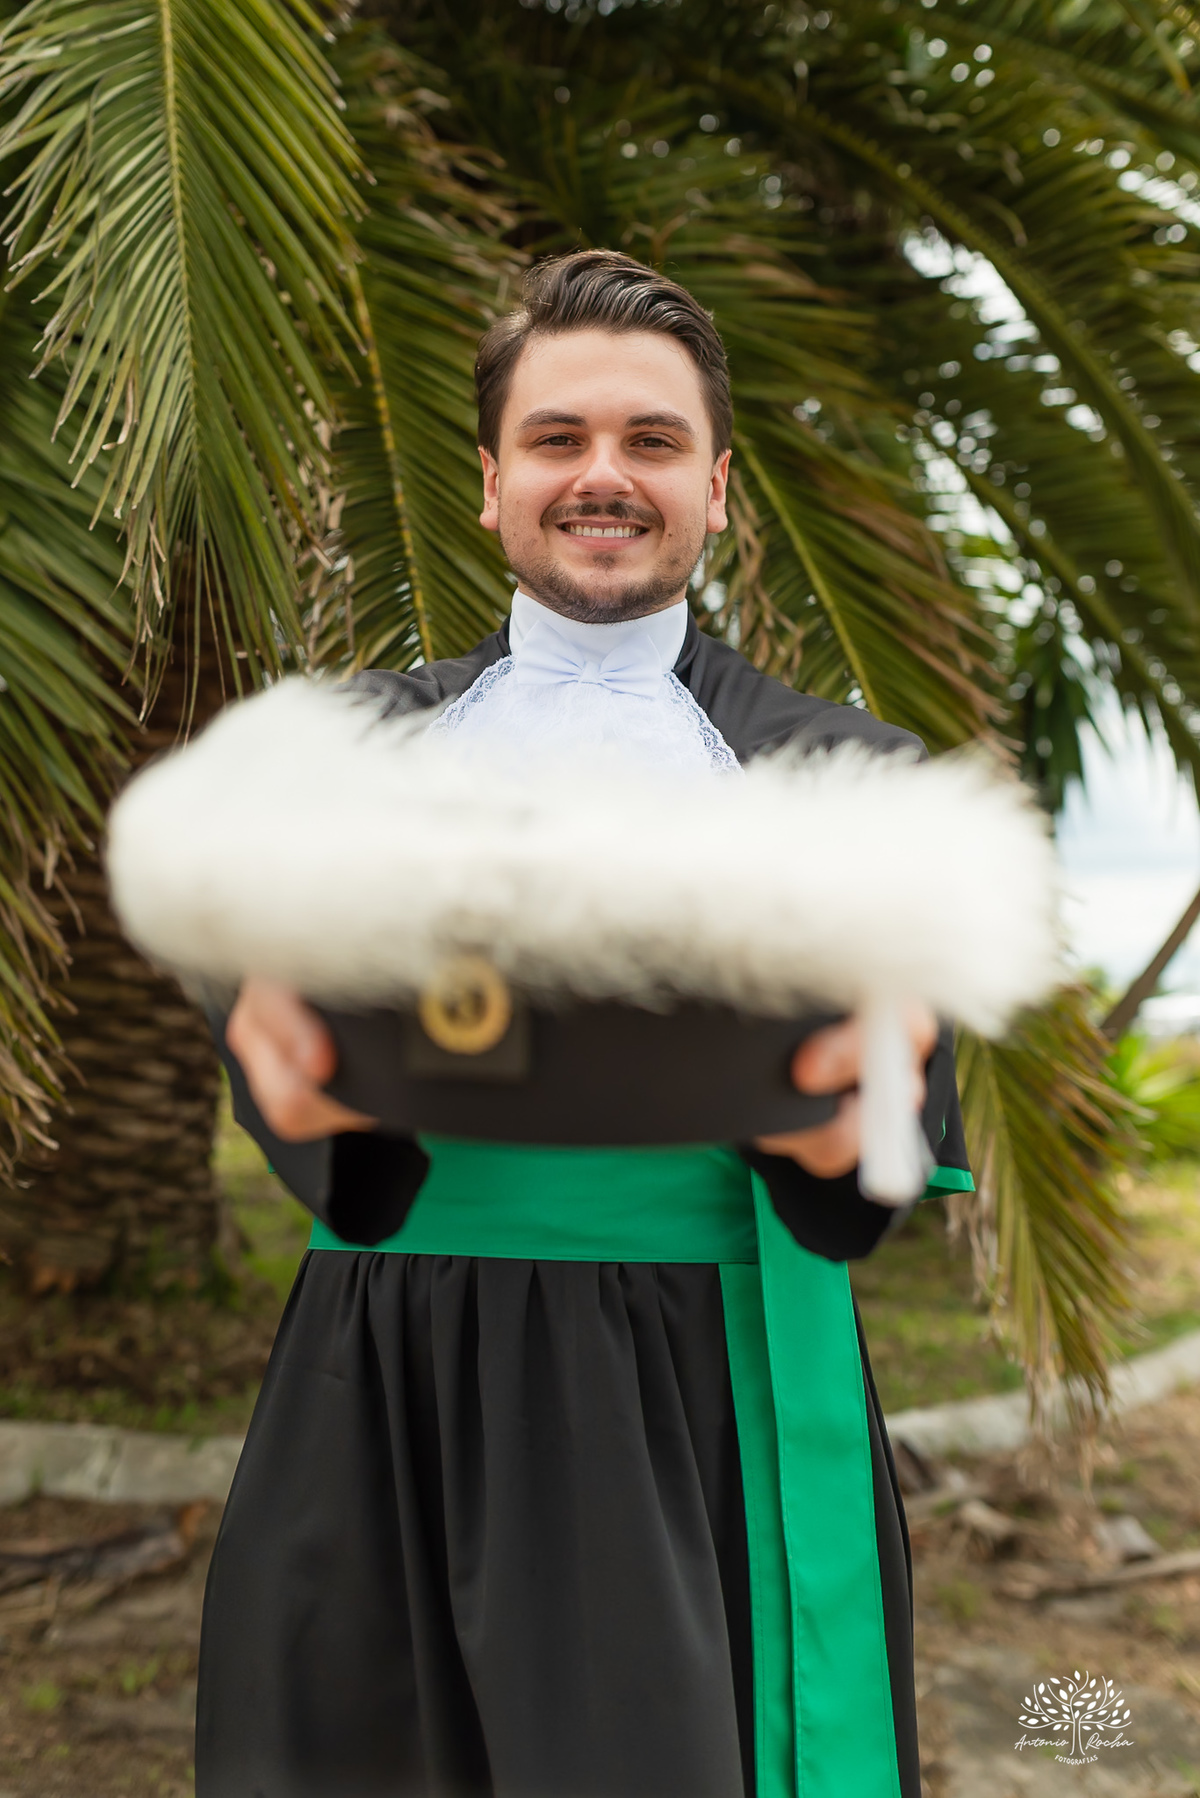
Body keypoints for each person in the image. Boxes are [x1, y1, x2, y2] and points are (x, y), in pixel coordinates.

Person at [195, 250, 972, 1798]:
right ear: (490, 483)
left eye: (652, 440)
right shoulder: (325, 760)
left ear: (717, 488)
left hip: (694, 1404)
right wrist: (268, 1034)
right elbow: (267, 1007)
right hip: (380, 1386)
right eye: (557, 438)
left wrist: (868, 1107)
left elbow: (883, 1133)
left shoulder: (862, 783)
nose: (603, 474)